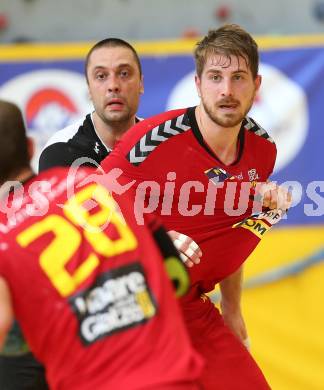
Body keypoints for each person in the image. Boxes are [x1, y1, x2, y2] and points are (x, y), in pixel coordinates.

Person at [101, 24, 292, 389]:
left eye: (238, 78)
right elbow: (90, 199)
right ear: (198, 83)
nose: (226, 91)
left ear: (257, 84)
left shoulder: (262, 149)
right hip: (131, 303)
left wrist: (233, 309)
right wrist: (154, 235)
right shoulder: (153, 140)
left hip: (191, 306)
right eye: (216, 77)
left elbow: (230, 231)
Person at [0, 100, 204, 389]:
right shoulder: (100, 182)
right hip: (172, 374)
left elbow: (9, 339)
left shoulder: (4, 237)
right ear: (31, 148)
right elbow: (177, 278)